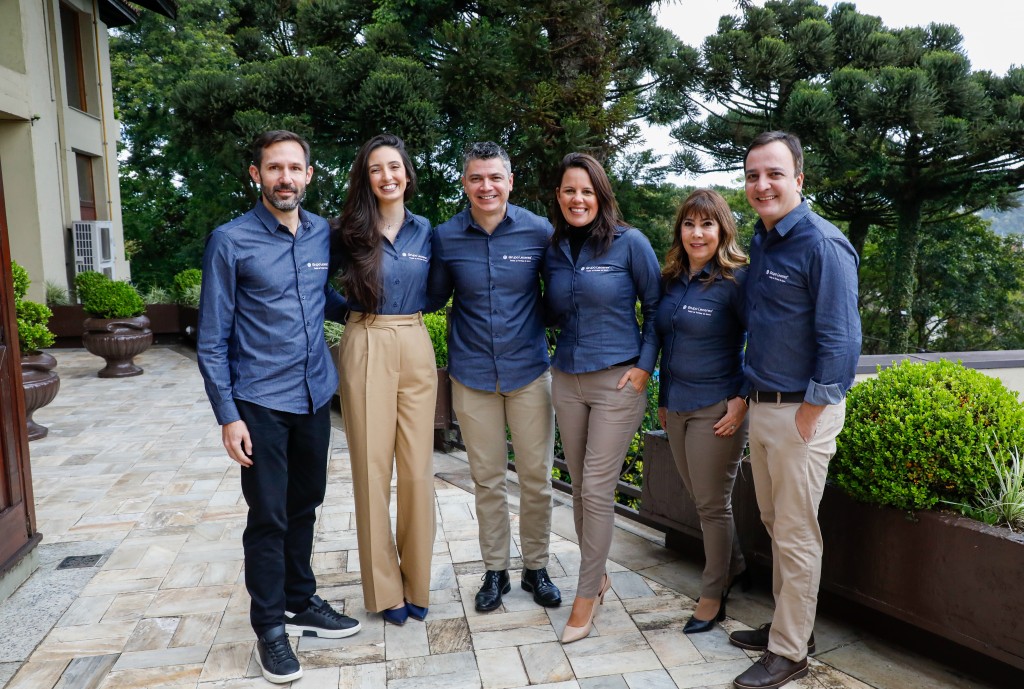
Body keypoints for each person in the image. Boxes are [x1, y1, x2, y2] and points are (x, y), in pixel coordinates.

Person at [197, 130, 360, 685]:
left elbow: (327, 300)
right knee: (267, 516)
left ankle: (299, 600)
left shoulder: (321, 235)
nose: (285, 177)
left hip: (315, 394)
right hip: (259, 401)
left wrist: (377, 306)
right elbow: (212, 338)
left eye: (294, 168)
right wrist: (228, 415)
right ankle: (269, 627)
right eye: (274, 168)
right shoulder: (230, 240)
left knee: (305, 505)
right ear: (256, 174)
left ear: (310, 174)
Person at [729, 131, 861, 689]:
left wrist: (811, 411)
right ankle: (792, 626)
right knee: (773, 523)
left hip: (801, 414)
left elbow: (842, 339)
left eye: (775, 174)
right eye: (753, 175)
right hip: (764, 407)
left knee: (796, 533)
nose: (762, 185)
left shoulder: (822, 245)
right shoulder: (764, 240)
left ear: (799, 179)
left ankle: (790, 652)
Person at [428, 141, 562, 614]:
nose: (486, 186)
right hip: (472, 376)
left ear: (510, 181)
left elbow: (560, 295)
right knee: (486, 479)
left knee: (536, 478)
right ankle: (495, 571)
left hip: (529, 372)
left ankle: (537, 567)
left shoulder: (539, 232)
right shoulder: (445, 237)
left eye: (495, 178)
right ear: (464, 183)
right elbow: (433, 298)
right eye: (476, 178)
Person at [543, 152, 661, 644]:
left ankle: (586, 596)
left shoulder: (630, 243)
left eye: (587, 191)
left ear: (602, 196)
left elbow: (656, 307)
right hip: (566, 378)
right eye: (570, 190)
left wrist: (643, 367)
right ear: (559, 197)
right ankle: (600, 576)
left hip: (617, 381)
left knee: (596, 488)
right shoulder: (552, 249)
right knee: (577, 487)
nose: (578, 199)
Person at [330, 134, 437, 626]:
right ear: (366, 178)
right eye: (376, 169)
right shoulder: (344, 231)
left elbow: (437, 292)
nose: (387, 176)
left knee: (417, 473)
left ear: (407, 174)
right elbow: (314, 285)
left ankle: (418, 584)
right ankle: (384, 590)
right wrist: (354, 312)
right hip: (366, 340)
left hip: (414, 341)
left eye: (395, 166)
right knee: (372, 474)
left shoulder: (426, 231)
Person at [655, 189, 750, 635]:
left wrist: (742, 396)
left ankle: (713, 594)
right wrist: (661, 399)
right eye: (690, 224)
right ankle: (735, 564)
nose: (697, 233)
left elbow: (763, 339)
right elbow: (663, 342)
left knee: (713, 505)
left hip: (718, 407)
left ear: (722, 230)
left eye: (707, 224)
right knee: (701, 498)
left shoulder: (736, 281)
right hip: (676, 406)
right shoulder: (671, 278)